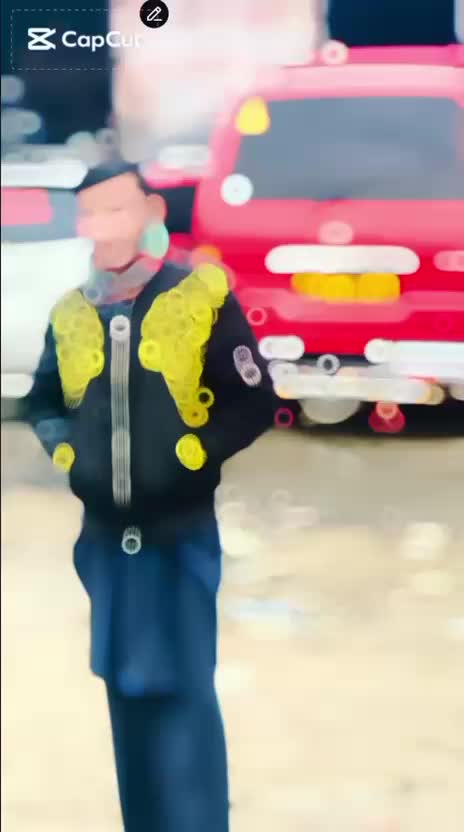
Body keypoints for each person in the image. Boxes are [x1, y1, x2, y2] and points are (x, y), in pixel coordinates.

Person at [23, 159, 276, 832]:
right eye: (92, 213)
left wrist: (197, 454)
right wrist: (69, 454)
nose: (105, 226)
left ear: (151, 213)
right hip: (104, 542)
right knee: (125, 688)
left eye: (118, 209)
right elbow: (40, 402)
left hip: (179, 535)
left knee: (182, 690)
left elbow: (254, 401)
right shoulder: (72, 313)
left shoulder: (199, 296)